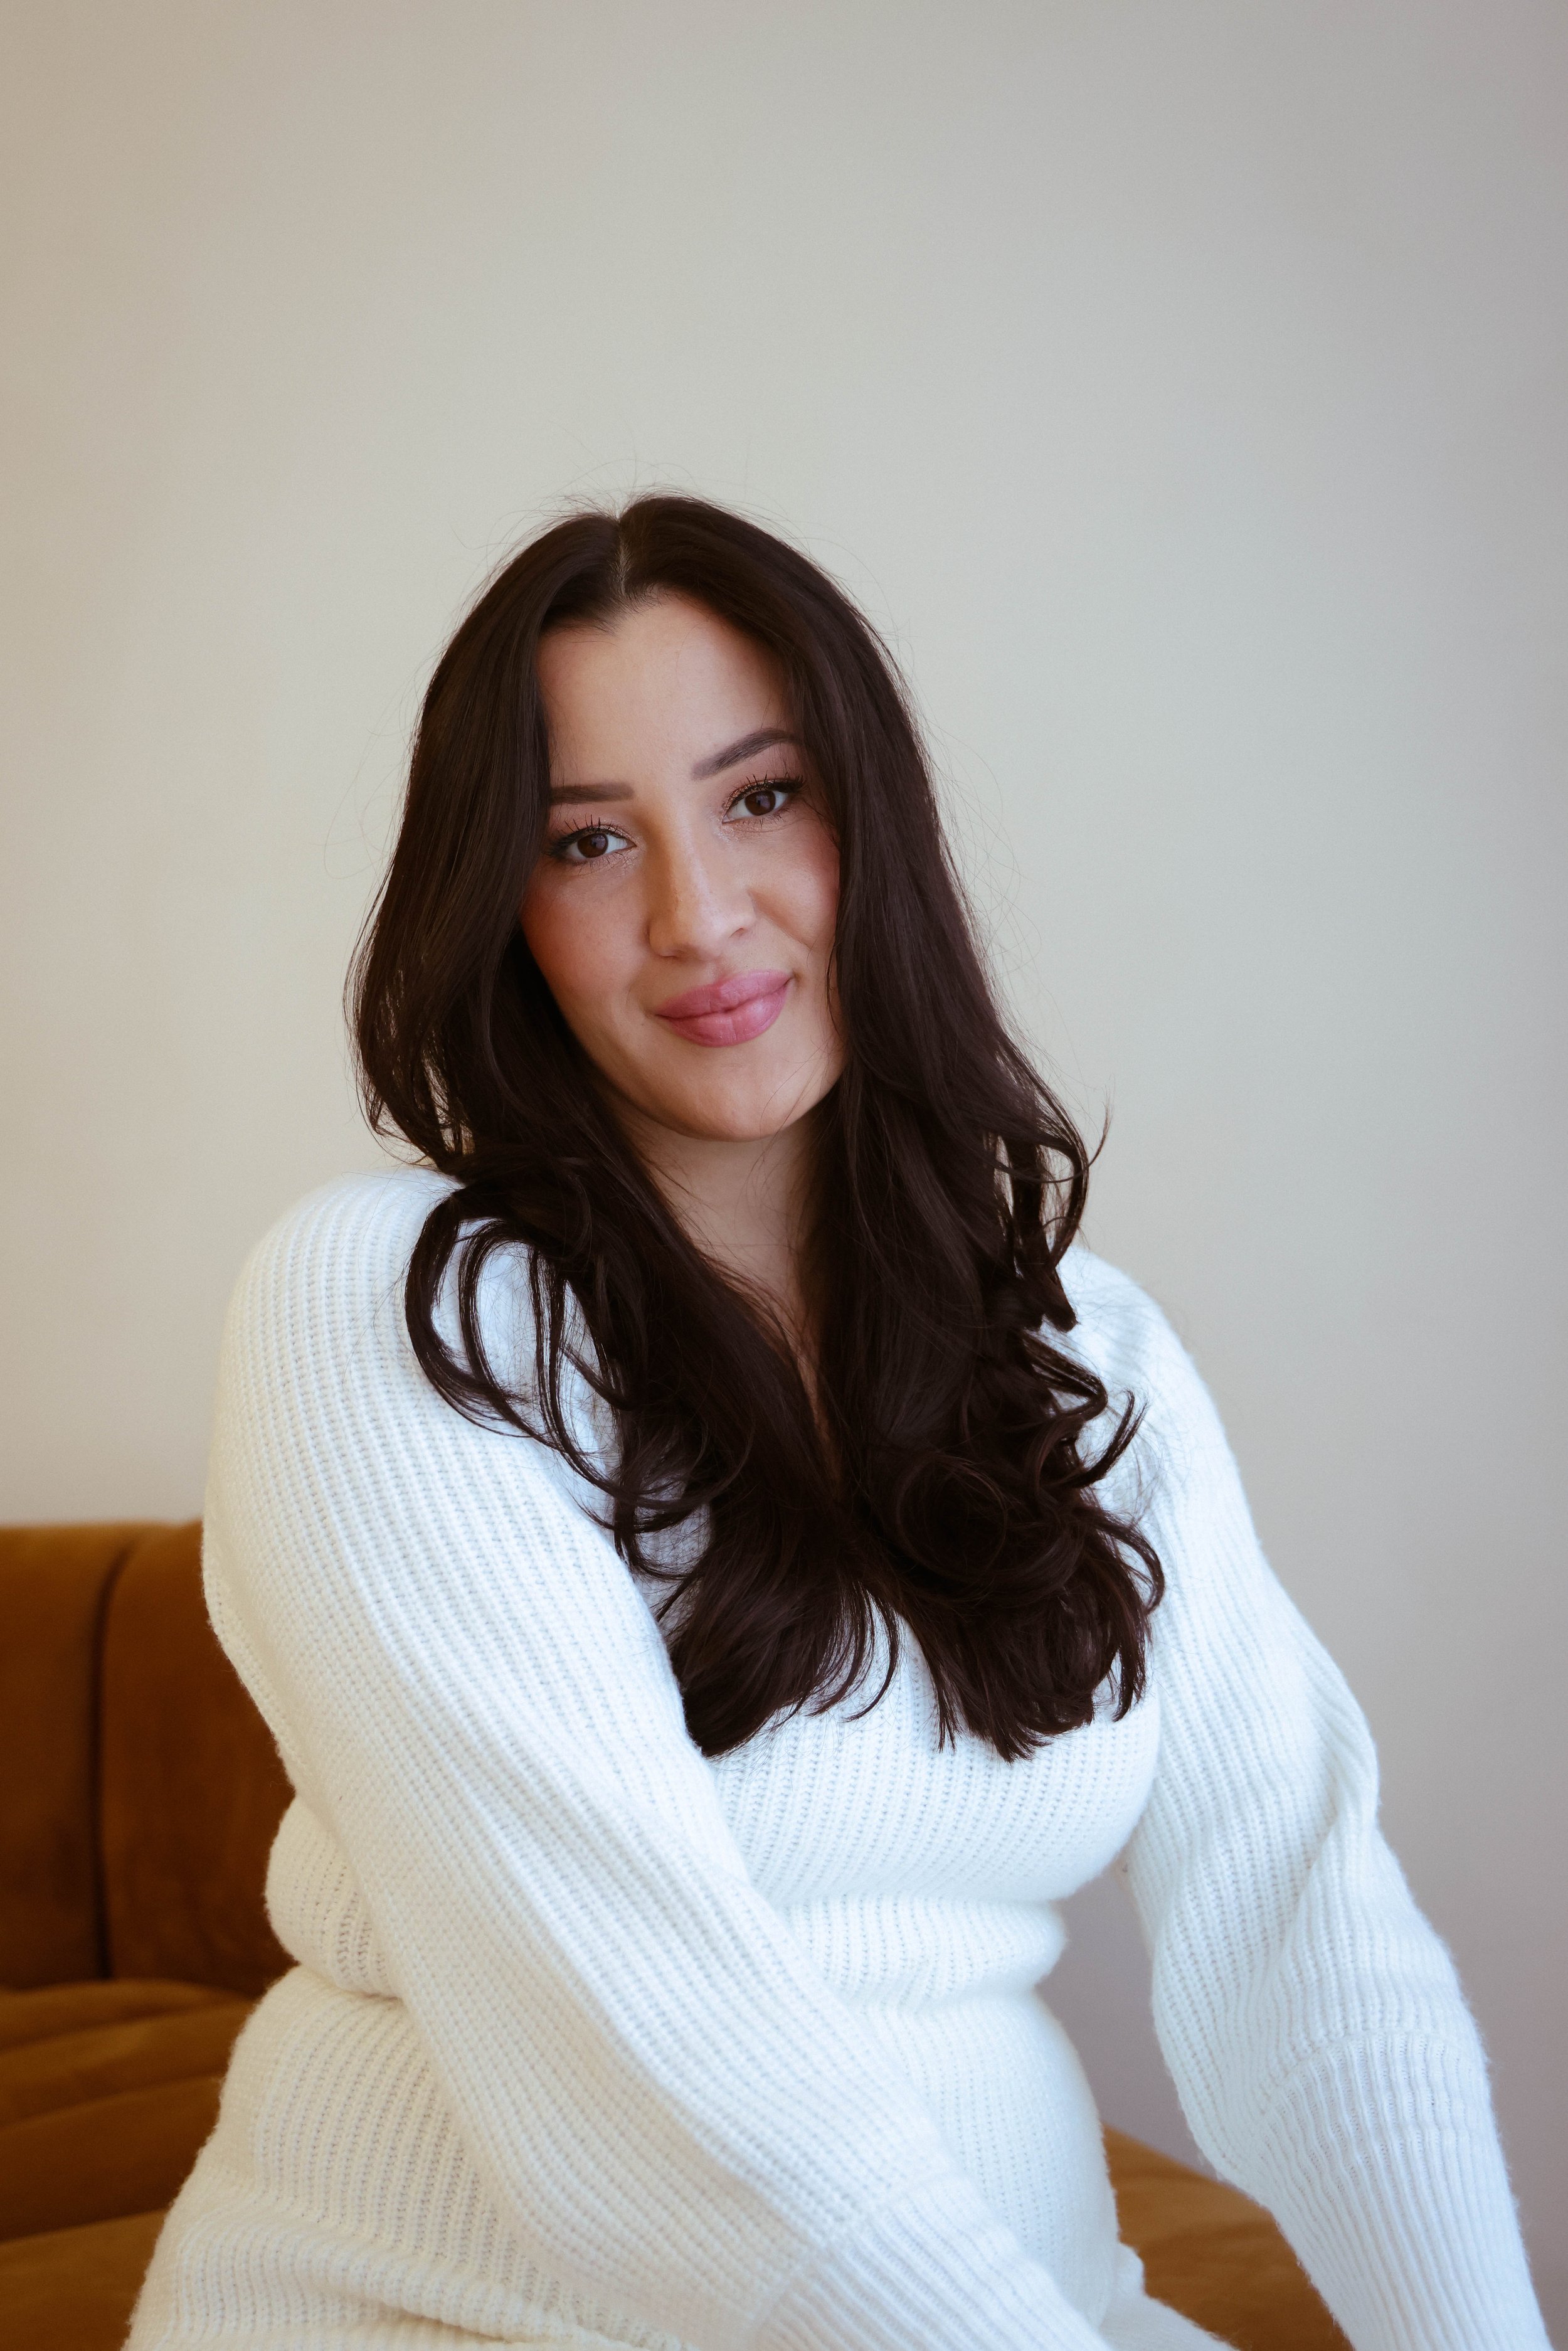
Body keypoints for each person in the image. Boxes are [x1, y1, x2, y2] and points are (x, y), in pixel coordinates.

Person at [130, 497, 1548, 2351]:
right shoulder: (385, 1308)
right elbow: (629, 2038)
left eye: (762, 797)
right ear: (502, 910)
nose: (697, 915)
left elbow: (1302, 1926)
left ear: (872, 819)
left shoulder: (1079, 1343)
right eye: (586, 840)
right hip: (458, 2316)